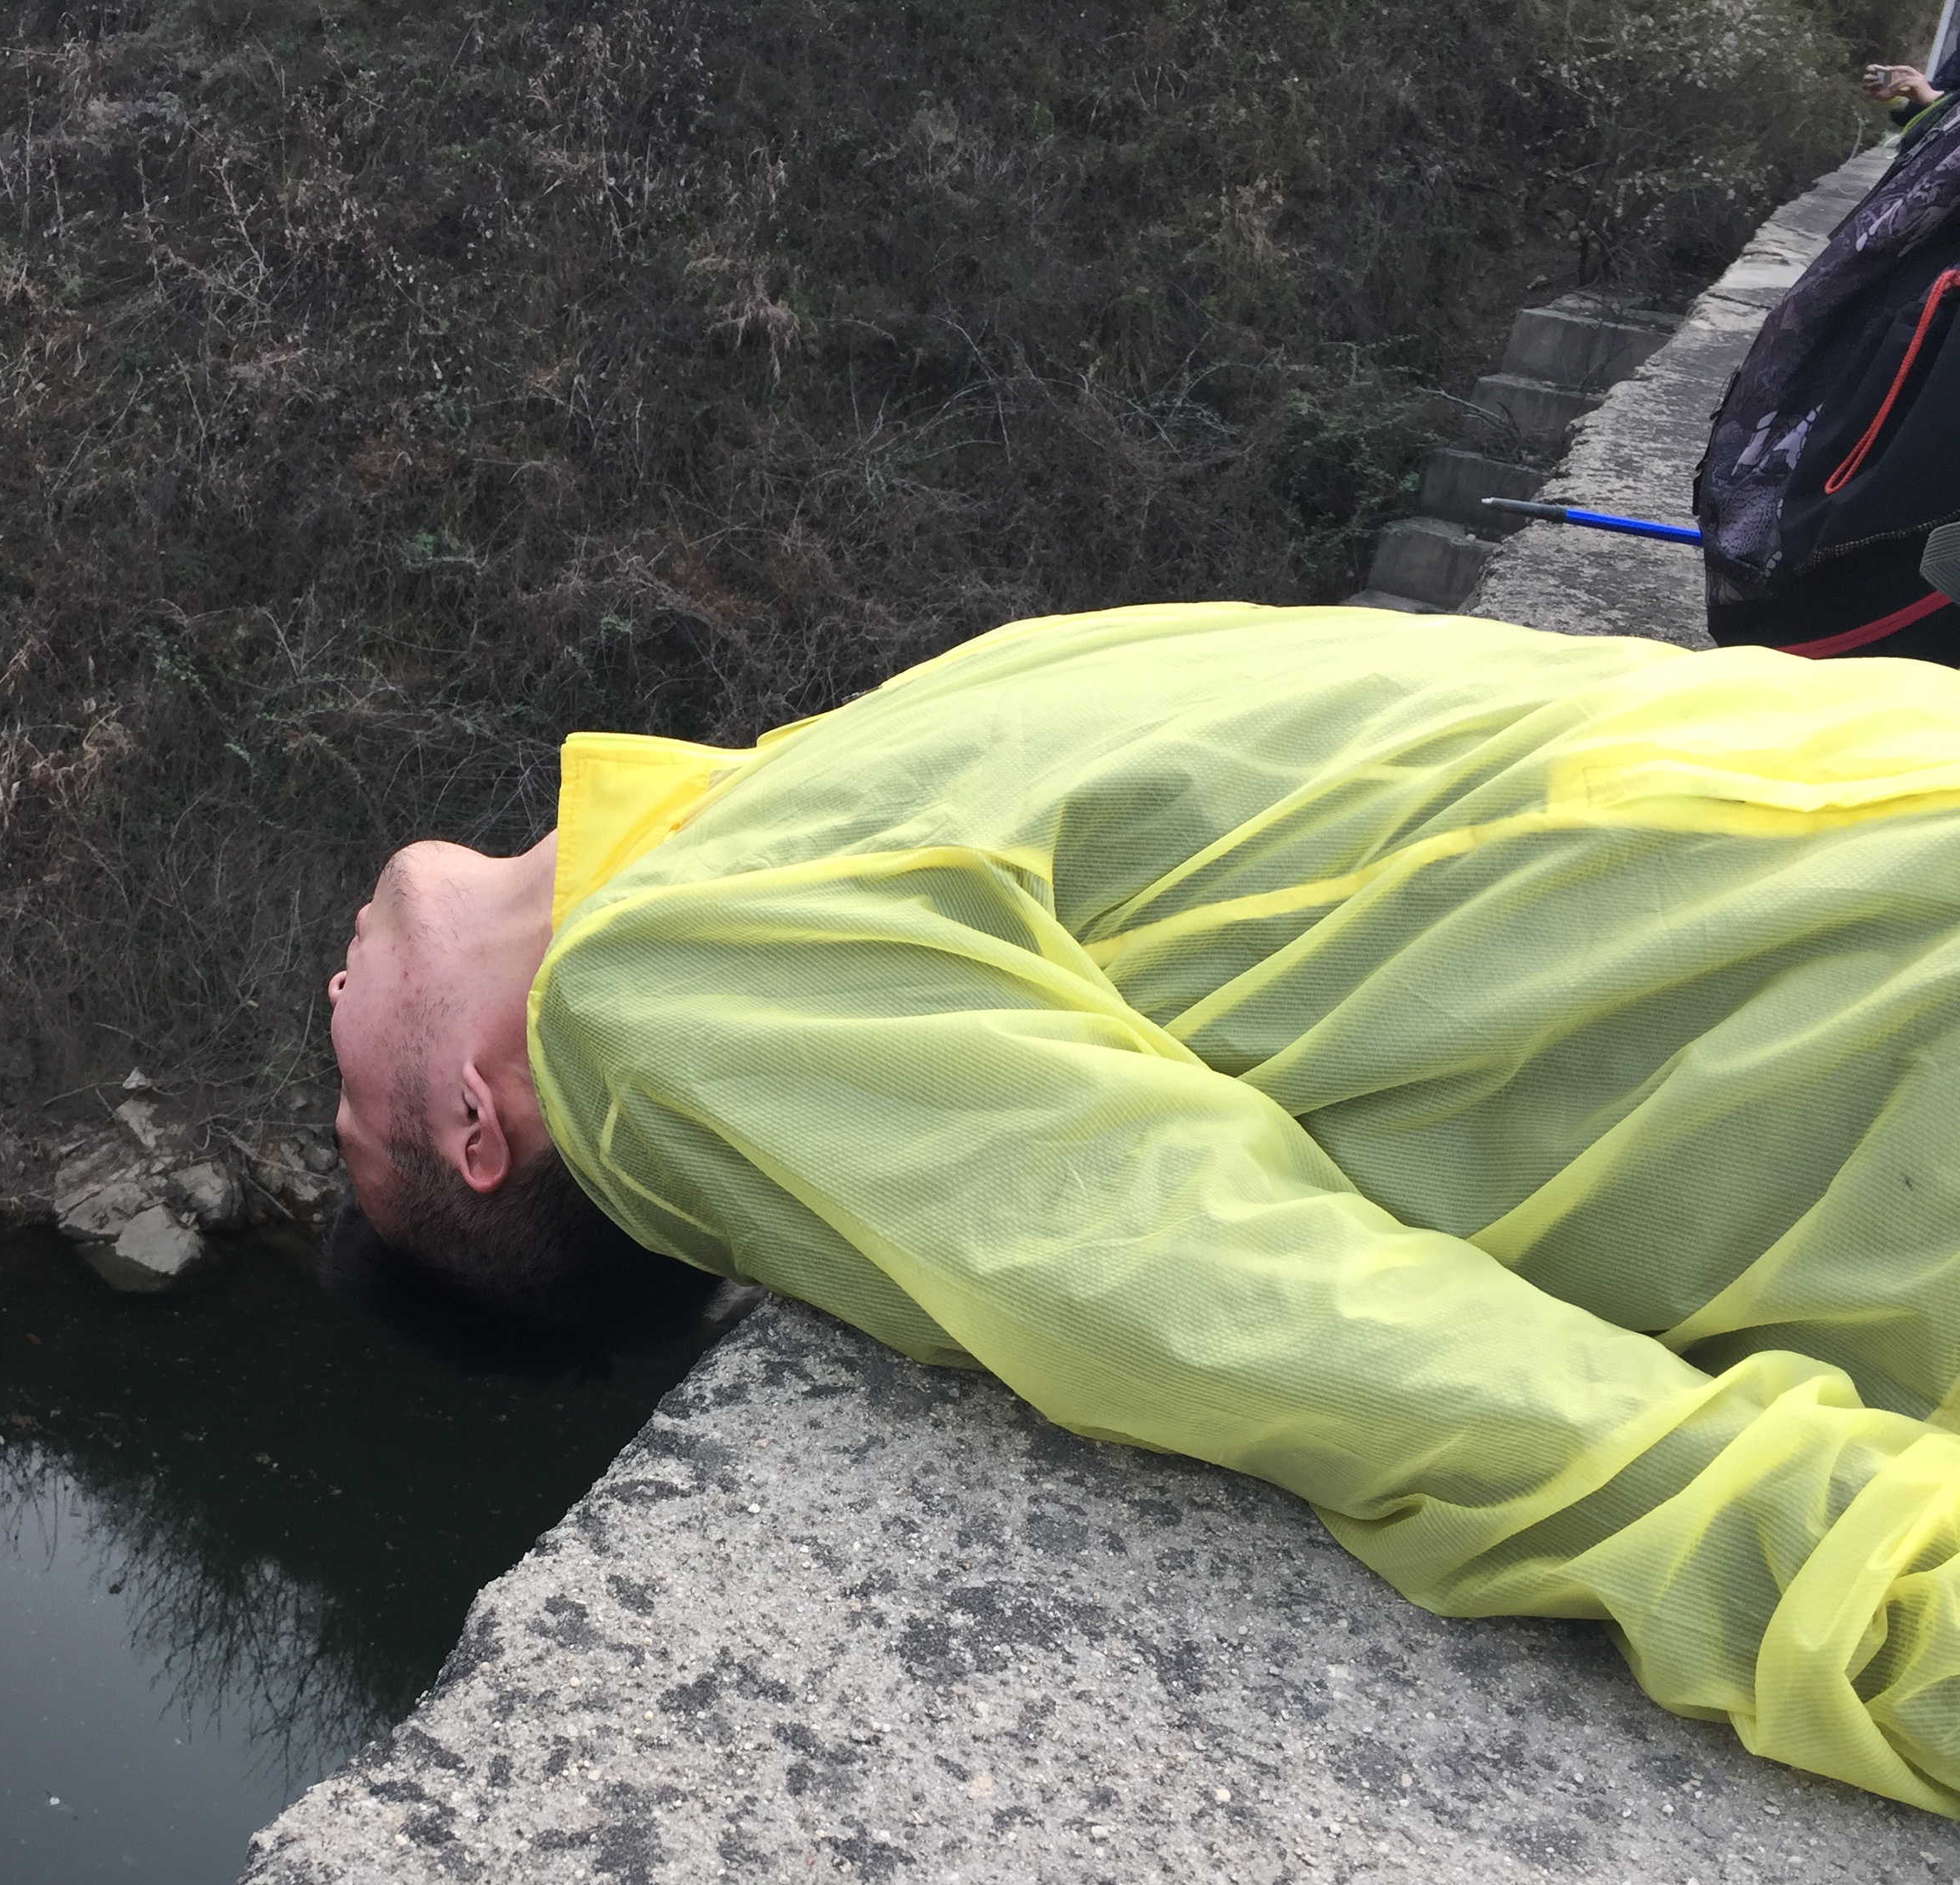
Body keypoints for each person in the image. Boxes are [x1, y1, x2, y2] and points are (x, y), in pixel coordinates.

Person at [327, 604, 1960, 1814]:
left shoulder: (760, 809)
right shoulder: (651, 996)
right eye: (343, 1123)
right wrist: (1893, 1616)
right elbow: (1282, 1319)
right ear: (475, 1128)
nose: (323, 1009)